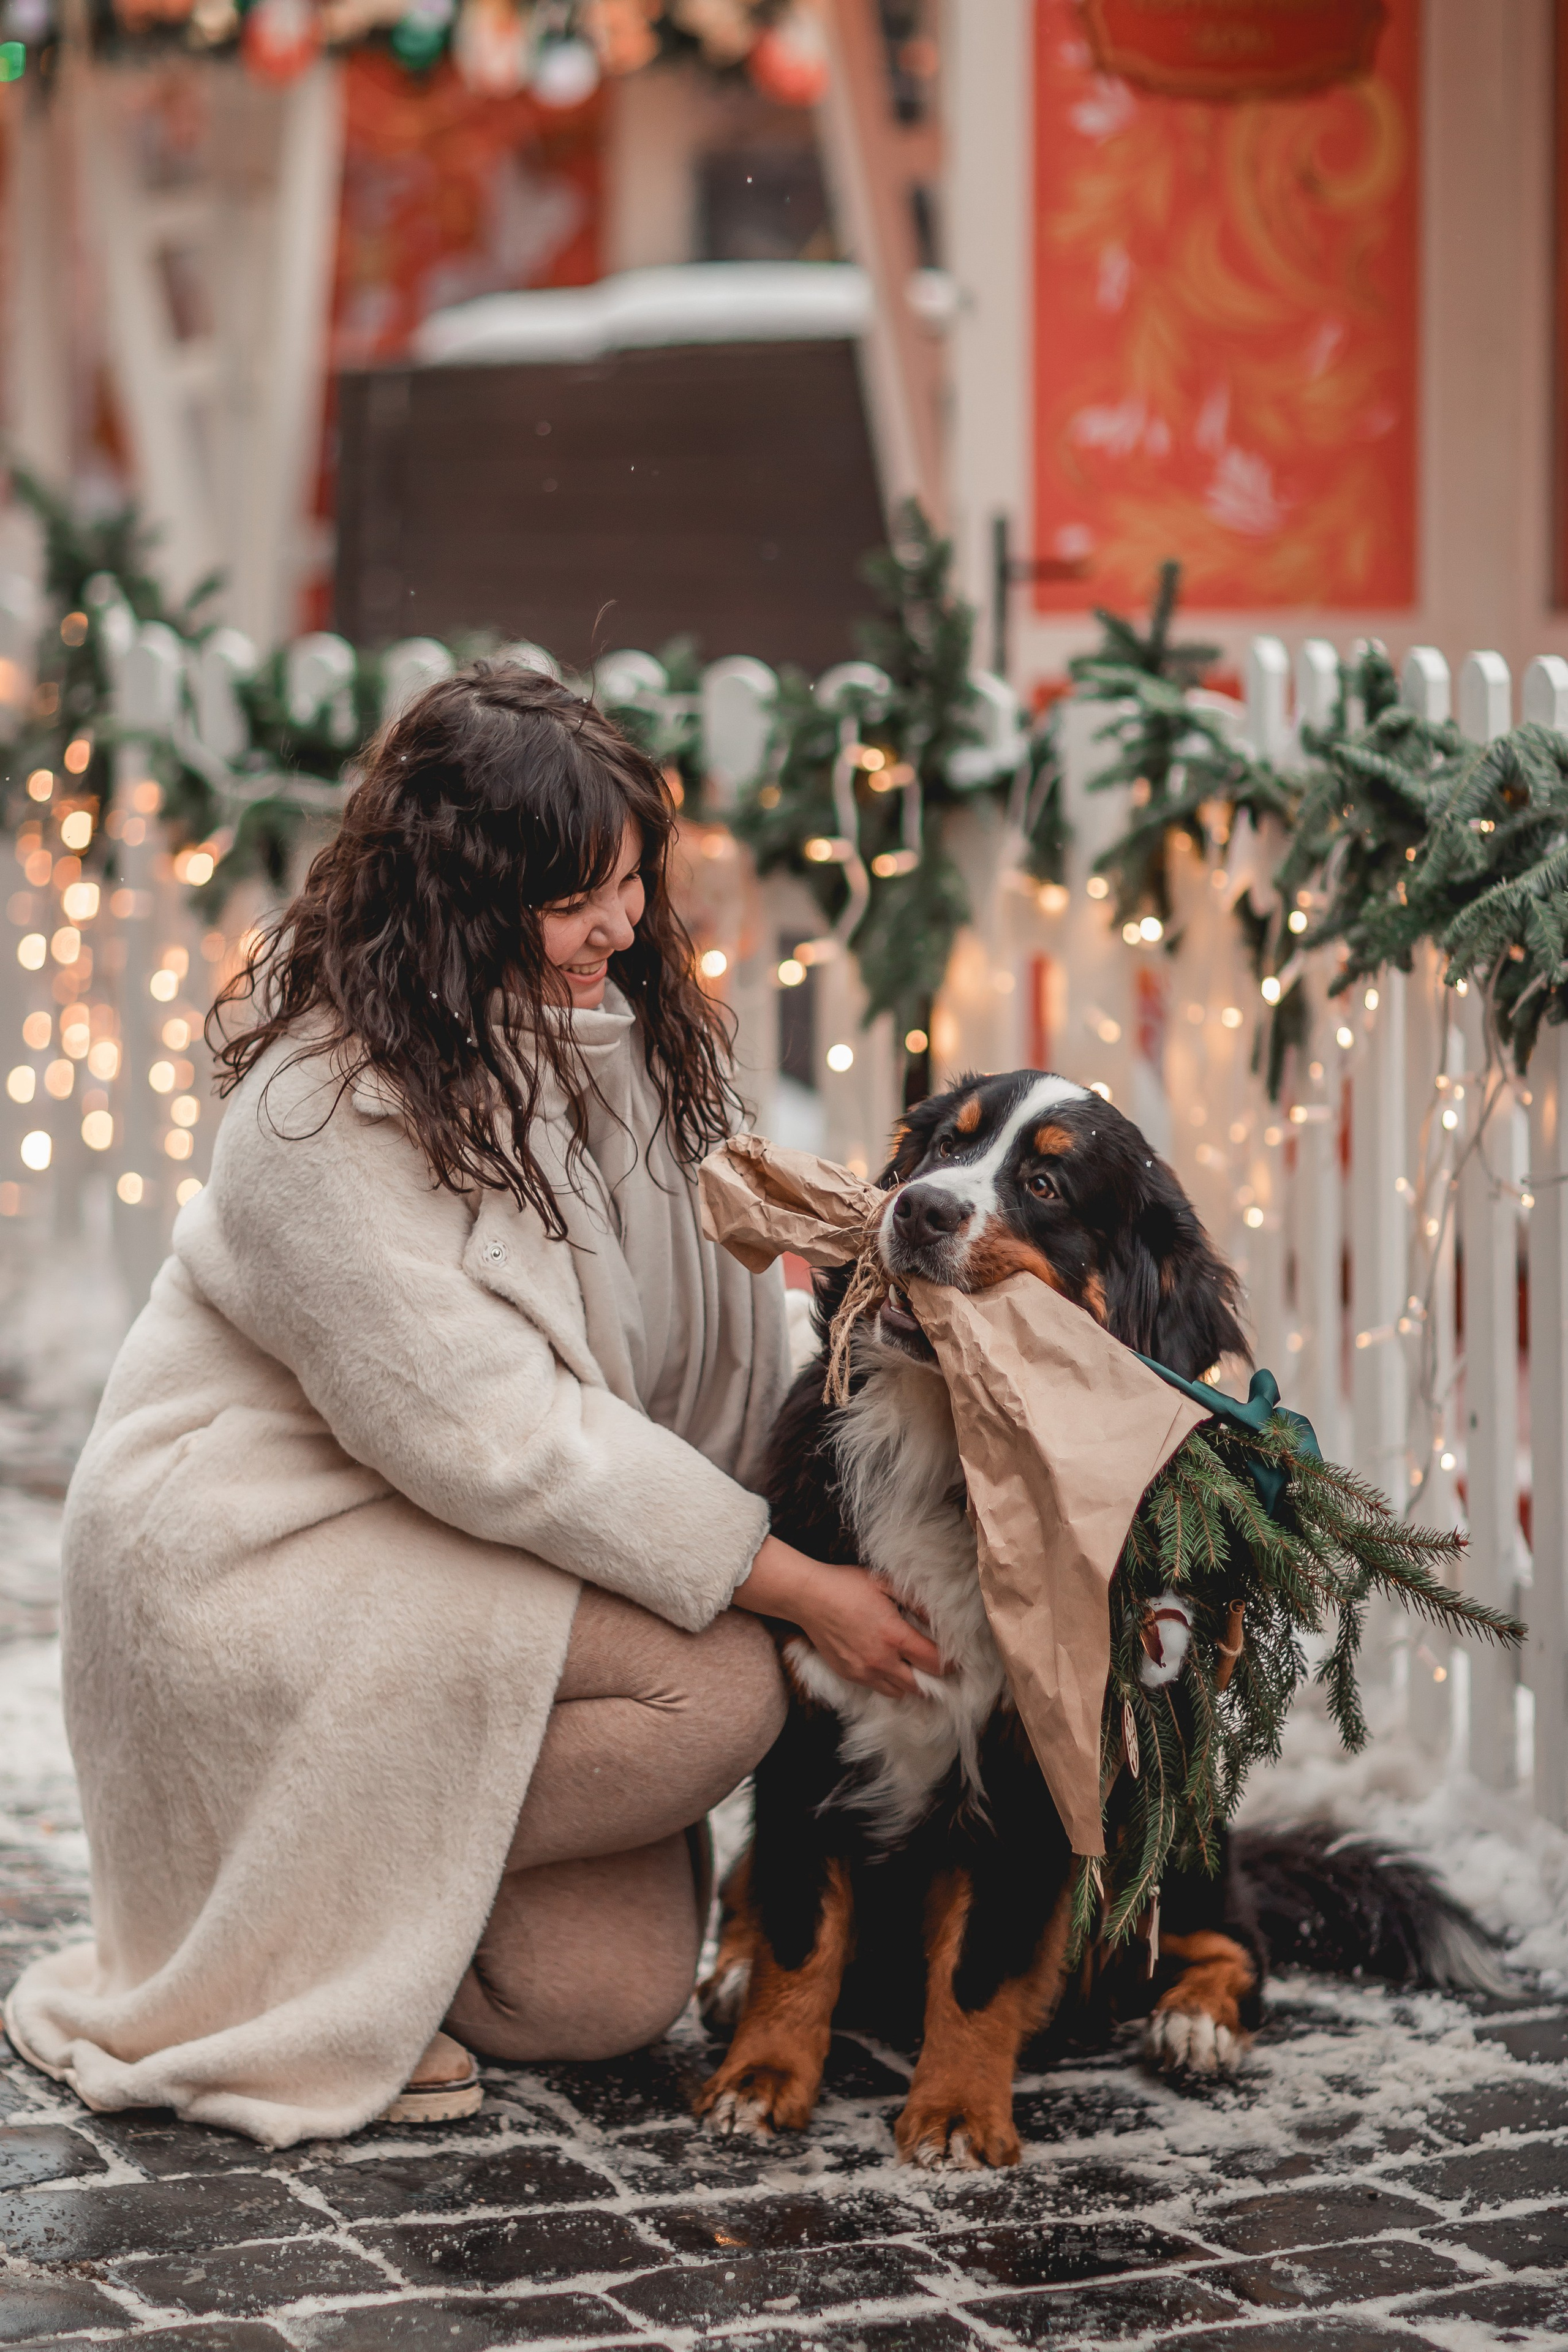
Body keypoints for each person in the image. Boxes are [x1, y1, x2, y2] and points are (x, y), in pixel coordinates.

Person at [3, 665, 943, 2147]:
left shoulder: (612, 1042)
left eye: (632, 883)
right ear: (463, 899)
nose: (626, 929)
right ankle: (283, 1934)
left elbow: (699, 1325)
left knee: (602, 2001)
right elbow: (496, 1435)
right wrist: (798, 1585)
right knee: (716, 1691)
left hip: (448, 1544)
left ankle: (384, 1918)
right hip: (260, 1551)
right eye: (582, 901)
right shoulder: (320, 1111)